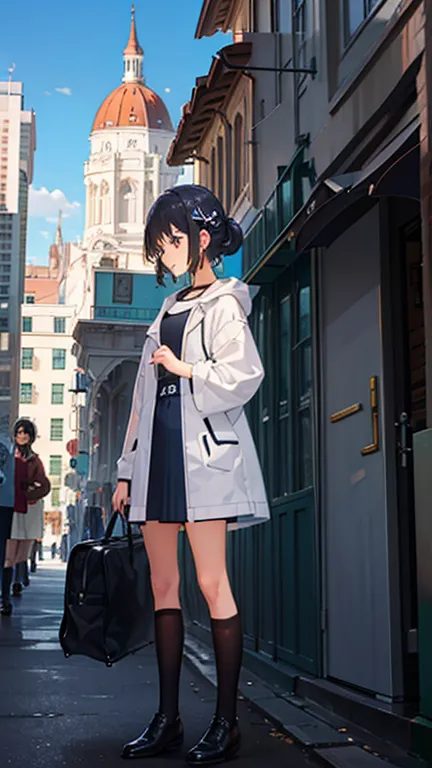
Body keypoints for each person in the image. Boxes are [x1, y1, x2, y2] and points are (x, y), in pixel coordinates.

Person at [112, 185, 270, 765]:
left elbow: (244, 374)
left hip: (202, 457)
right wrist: (126, 469)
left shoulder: (227, 301)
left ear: (203, 238)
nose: (166, 252)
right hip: (157, 461)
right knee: (163, 589)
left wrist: (187, 367)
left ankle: (226, 723)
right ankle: (168, 719)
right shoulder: (167, 307)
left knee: (211, 584)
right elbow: (140, 399)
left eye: (172, 240)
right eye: (160, 244)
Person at [1, 420, 50, 616]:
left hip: (27, 509)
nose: (22, 436)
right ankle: (5, 596)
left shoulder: (34, 460)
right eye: (19, 432)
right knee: (8, 556)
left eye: (26, 433)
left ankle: (15, 583)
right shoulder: (8, 456)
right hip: (10, 507)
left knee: (21, 555)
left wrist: (29, 491)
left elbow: (44, 485)